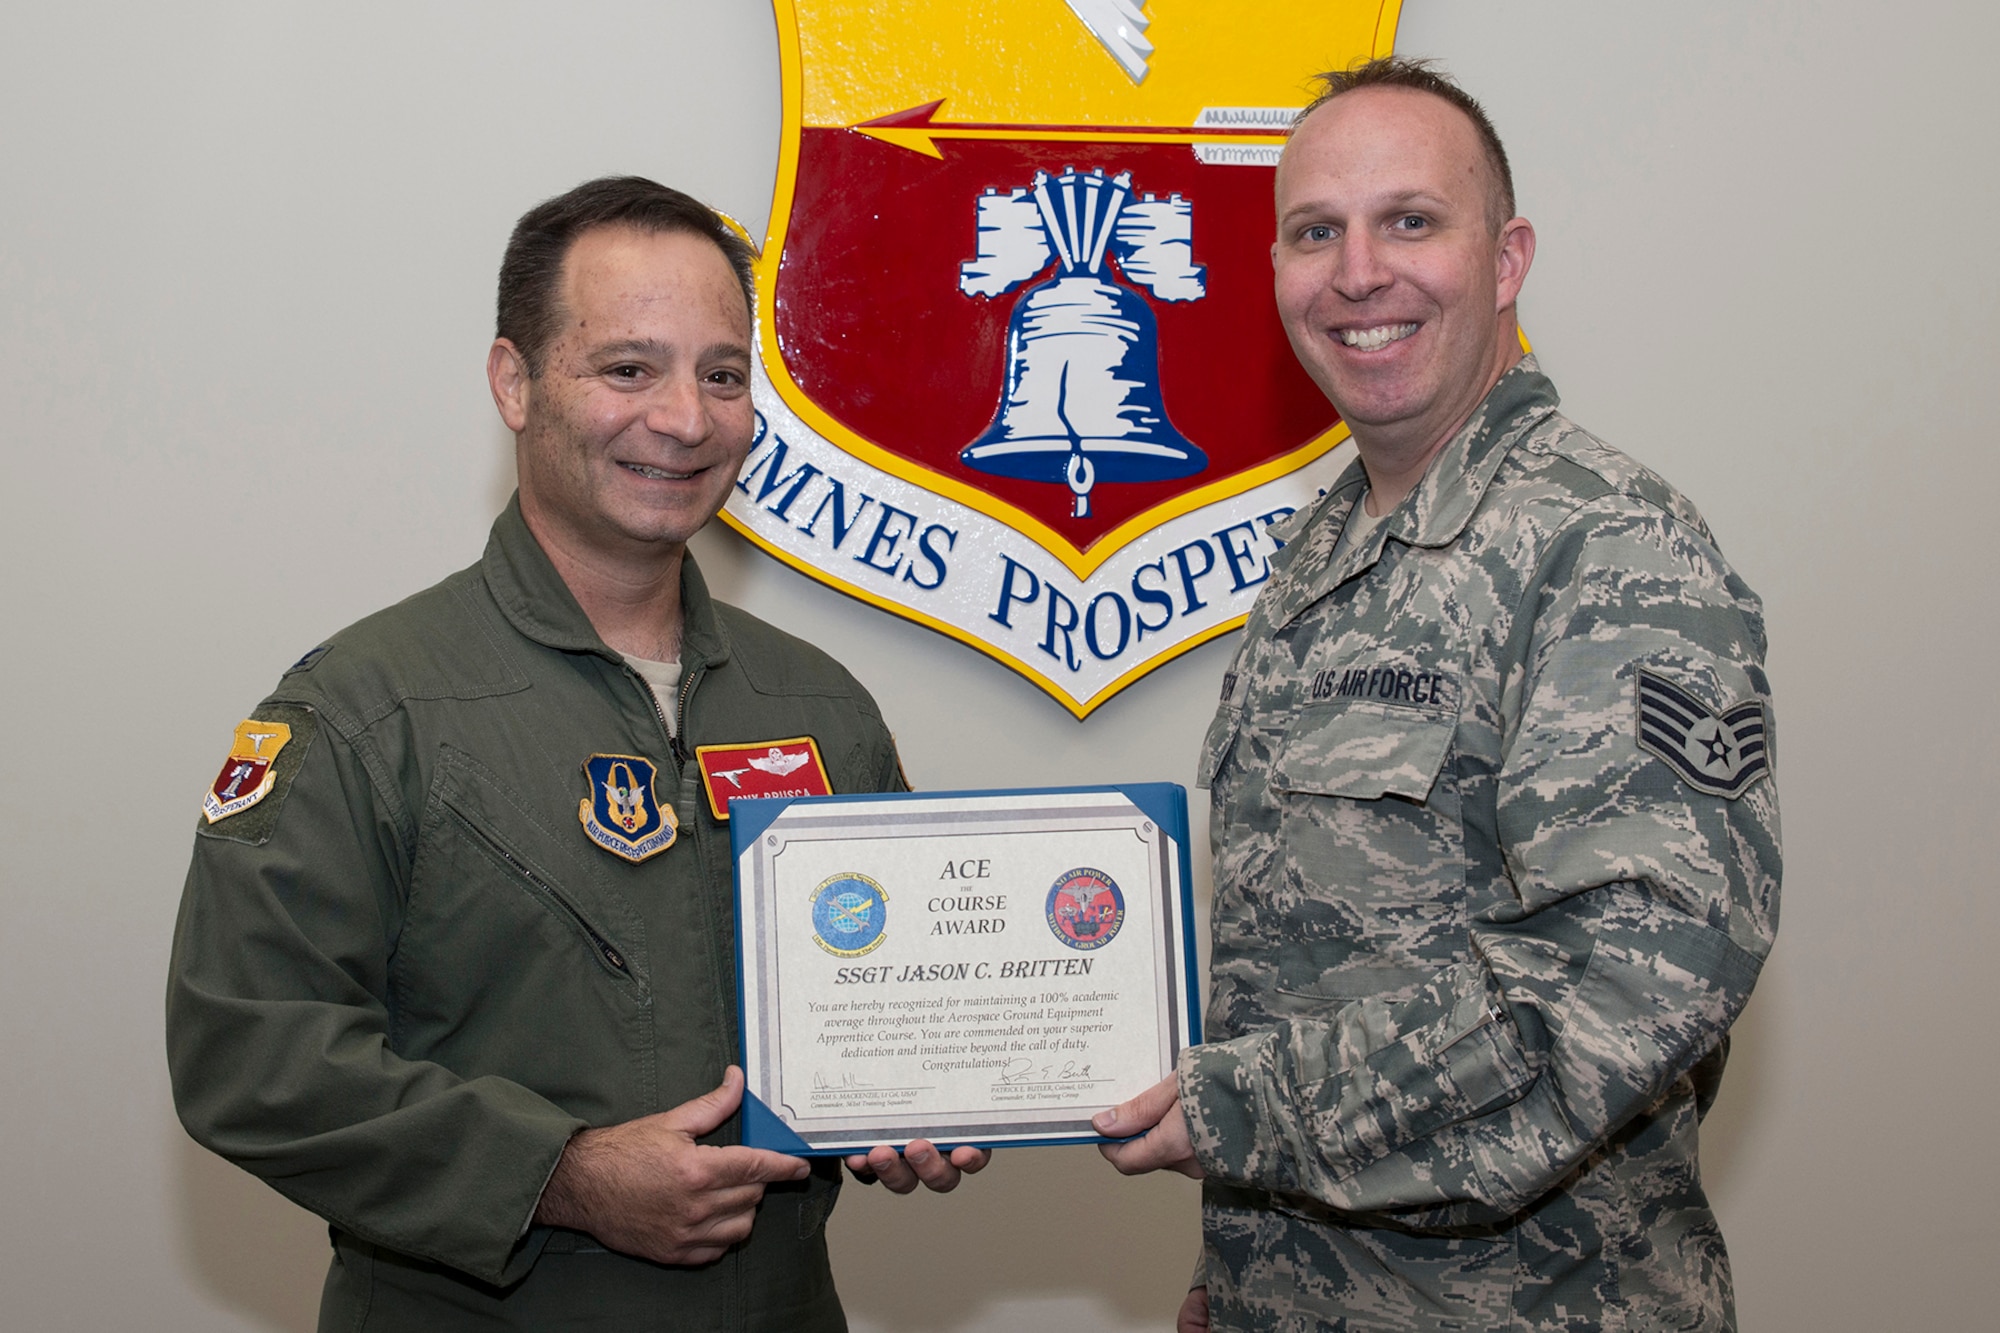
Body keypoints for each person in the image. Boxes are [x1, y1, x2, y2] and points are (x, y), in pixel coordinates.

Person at [166, 176, 984, 1331]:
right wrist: (561, 1174)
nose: (686, 419)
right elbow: (248, 1053)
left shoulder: (815, 704)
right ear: (515, 382)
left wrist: (921, 1098)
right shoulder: (363, 710)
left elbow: (892, 1008)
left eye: (720, 373)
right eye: (627, 368)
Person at [1094, 59, 1780, 1332]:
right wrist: (1244, 1265)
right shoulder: (1325, 554)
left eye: (1410, 220)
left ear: (1506, 256)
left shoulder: (1607, 547)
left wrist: (1245, 1110)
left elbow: (1627, 974)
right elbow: (1308, 951)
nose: (1358, 272)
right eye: (1315, 232)